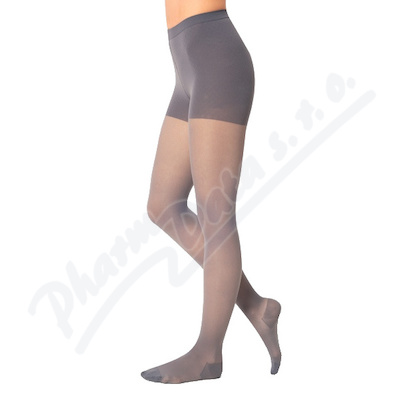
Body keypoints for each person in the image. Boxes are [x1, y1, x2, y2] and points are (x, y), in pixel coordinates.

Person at [141, 0, 281, 384]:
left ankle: (208, 354)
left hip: (216, 57)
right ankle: (257, 306)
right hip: (186, 63)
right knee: (163, 206)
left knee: (215, 213)